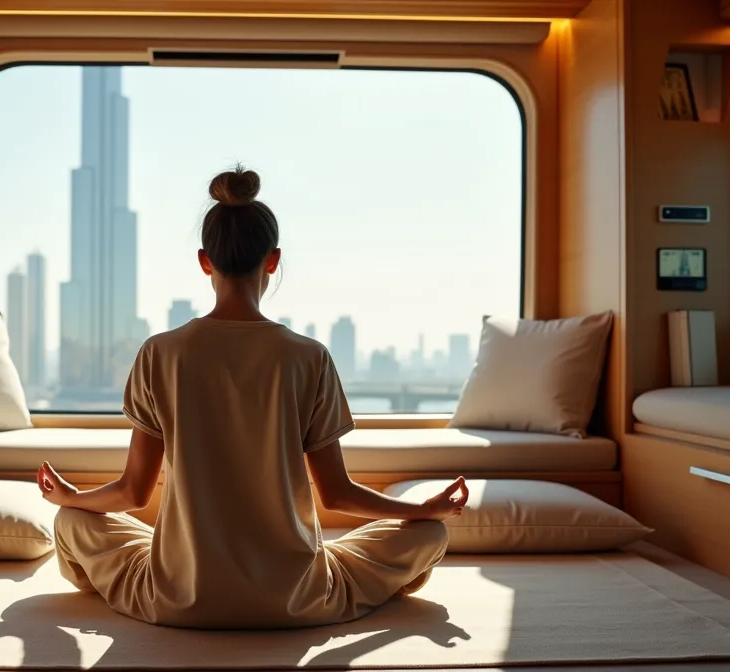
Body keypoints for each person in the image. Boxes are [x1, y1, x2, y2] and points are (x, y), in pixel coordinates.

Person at [37, 166, 466, 629]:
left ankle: (117, 583)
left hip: (178, 598)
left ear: (205, 261)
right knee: (429, 535)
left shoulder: (159, 353)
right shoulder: (309, 357)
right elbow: (337, 493)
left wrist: (73, 496)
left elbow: (133, 493)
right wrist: (422, 510)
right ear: (273, 260)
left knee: (70, 522)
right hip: (297, 599)